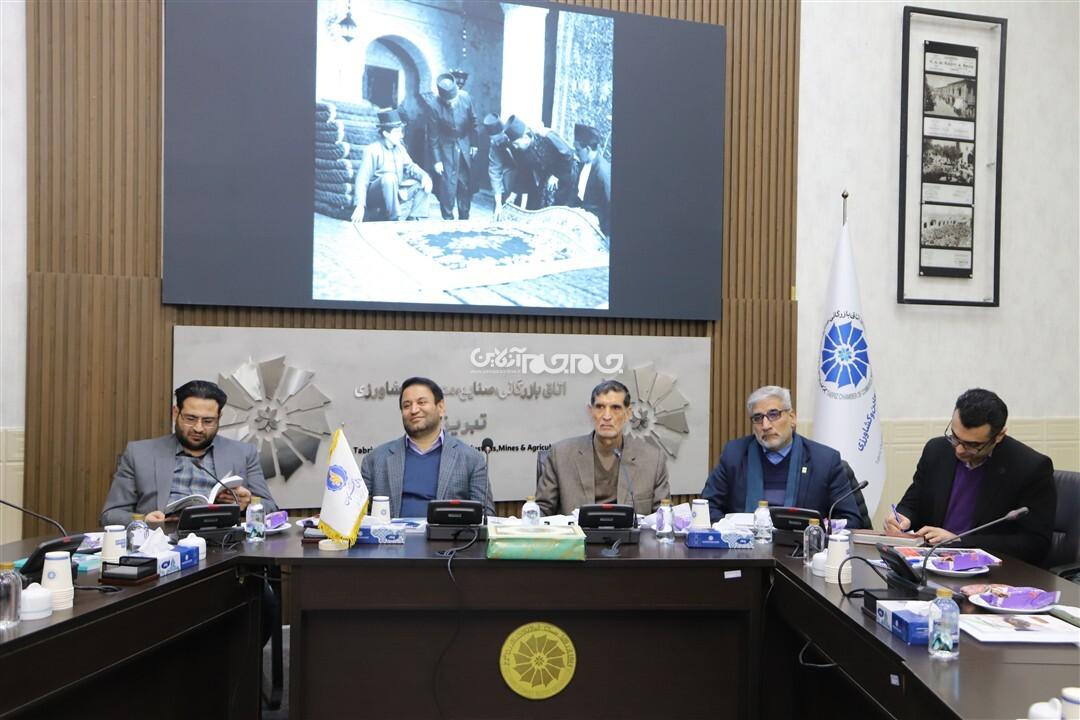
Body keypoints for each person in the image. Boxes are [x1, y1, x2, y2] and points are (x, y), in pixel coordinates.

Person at [884, 389, 1055, 564]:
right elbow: (913, 503)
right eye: (955, 437)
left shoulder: (1030, 467)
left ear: (999, 436)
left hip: (992, 571)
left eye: (972, 445)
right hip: (931, 562)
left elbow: (1035, 544)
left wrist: (961, 541)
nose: (959, 450)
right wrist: (902, 518)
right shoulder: (937, 450)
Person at [100, 380, 277, 526]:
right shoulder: (139, 454)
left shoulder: (243, 453)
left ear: (219, 418)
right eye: (191, 419)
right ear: (175, 413)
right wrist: (144, 521)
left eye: (208, 421)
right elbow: (110, 515)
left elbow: (271, 509)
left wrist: (249, 505)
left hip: (223, 545)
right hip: (161, 544)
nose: (198, 428)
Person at [701, 385, 863, 526]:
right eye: (758, 418)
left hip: (800, 548)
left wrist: (815, 532)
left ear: (792, 418)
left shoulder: (825, 460)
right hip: (745, 548)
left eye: (773, 414)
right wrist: (730, 531)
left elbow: (850, 519)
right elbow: (707, 507)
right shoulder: (734, 455)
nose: (765, 425)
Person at [362, 377, 494, 518]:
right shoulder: (374, 460)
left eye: (421, 402)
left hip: (448, 533)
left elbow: (486, 516)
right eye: (406, 405)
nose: (414, 410)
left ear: (441, 407)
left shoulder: (472, 460)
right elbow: (358, 517)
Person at [536, 380, 669, 516]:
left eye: (615, 408)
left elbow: (663, 515)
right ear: (590, 411)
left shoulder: (653, 459)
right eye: (600, 407)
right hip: (578, 530)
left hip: (630, 530)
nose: (607, 416)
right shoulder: (561, 455)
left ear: (628, 413)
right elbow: (541, 511)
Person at [350, 108, 432, 223]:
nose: (401, 136)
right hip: (375, 196)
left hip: (394, 192)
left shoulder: (400, 148)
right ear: (386, 134)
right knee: (389, 177)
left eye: (401, 131)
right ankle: (394, 218)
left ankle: (414, 218)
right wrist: (360, 205)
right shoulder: (372, 150)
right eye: (397, 132)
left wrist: (424, 176)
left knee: (423, 184)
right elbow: (362, 179)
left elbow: (411, 167)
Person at [426, 73, 478, 220]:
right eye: (449, 101)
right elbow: (433, 136)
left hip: (464, 143)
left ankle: (464, 217)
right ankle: (448, 218)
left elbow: (474, 122)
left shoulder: (465, 97)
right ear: (443, 99)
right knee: (448, 185)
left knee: (464, 183)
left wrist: (474, 144)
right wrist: (437, 161)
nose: (453, 103)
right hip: (446, 147)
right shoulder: (433, 105)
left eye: (454, 100)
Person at [503, 116, 577, 209]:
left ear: (525, 137)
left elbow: (568, 155)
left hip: (567, 173)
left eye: (517, 143)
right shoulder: (523, 151)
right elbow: (523, 173)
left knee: (560, 206)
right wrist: (513, 195)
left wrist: (557, 176)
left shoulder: (547, 136)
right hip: (548, 178)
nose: (516, 147)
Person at [572, 123, 611, 237]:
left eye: (578, 150)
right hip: (580, 216)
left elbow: (610, 206)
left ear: (588, 149)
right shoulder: (583, 163)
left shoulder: (602, 172)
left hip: (595, 226)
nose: (576, 154)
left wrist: (607, 235)